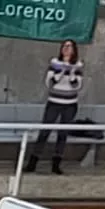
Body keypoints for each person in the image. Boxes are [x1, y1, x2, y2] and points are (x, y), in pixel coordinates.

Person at [24, 40, 84, 175]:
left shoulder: (78, 65)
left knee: (63, 134)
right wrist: (62, 72)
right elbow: (49, 83)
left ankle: (56, 163)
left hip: (70, 104)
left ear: (74, 50)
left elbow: (77, 86)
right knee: (44, 132)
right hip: (54, 102)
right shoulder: (55, 63)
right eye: (64, 46)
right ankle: (33, 162)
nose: (67, 49)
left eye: (70, 46)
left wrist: (72, 73)